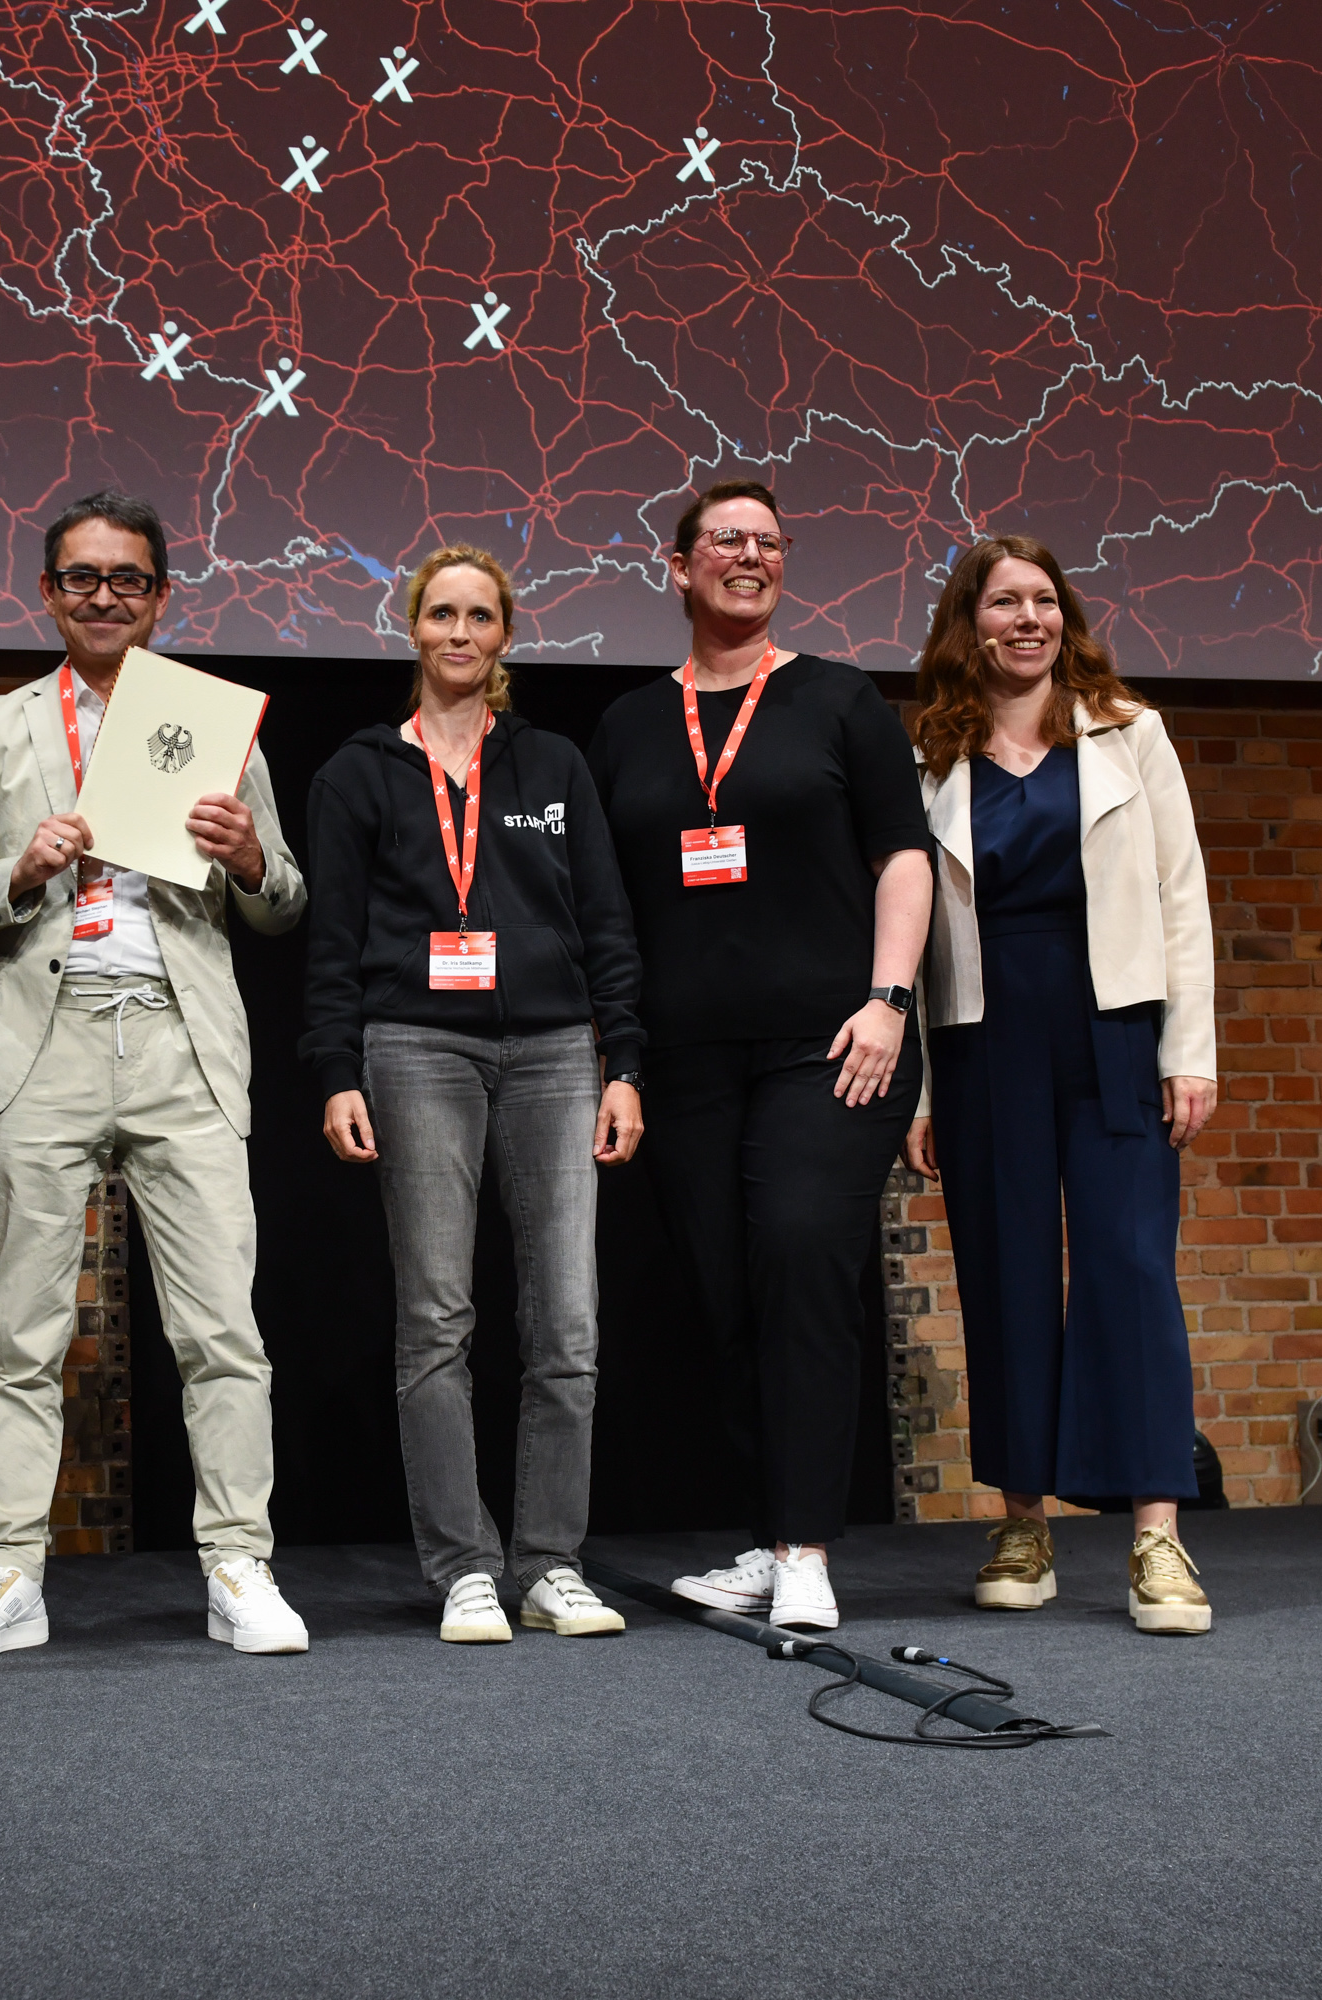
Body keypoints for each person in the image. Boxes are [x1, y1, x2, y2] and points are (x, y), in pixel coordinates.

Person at [0, 490, 312, 1660]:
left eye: (126, 578)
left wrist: (247, 858)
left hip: (183, 1040)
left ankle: (240, 1562)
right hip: (50, 1036)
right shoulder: (1, 728)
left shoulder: (211, 722)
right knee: (23, 1331)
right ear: (49, 593)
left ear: (158, 594)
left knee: (222, 1329)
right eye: (81, 577)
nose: (102, 595)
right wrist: (19, 868)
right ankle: (11, 1572)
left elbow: (284, 900)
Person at [586, 478, 931, 1633]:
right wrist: (621, 1055)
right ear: (675, 567)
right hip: (685, 1060)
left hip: (829, 1049)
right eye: (726, 540)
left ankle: (806, 1546)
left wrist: (888, 997)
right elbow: (610, 910)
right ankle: (766, 1530)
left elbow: (904, 857)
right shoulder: (631, 725)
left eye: (769, 542)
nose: (751, 555)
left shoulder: (840, 700)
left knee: (798, 1259)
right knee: (725, 1292)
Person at [301, 547, 647, 1646]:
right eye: (441, 612)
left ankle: (549, 1563)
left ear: (506, 634)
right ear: (413, 627)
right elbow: (335, 943)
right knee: (436, 1317)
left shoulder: (551, 764)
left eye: (480, 615)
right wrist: (335, 1069)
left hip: (554, 1050)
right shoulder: (358, 770)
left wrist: (624, 1061)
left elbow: (607, 923)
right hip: (415, 1049)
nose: (460, 631)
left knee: (568, 1320)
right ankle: (463, 1565)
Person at [899, 535, 1218, 1636]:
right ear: (969, 623)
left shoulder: (1133, 734)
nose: (1025, 619)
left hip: (1115, 1030)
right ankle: (1023, 1519)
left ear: (1065, 618)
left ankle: (1156, 1534)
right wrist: (926, 1092)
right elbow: (920, 937)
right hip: (986, 1039)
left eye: (1043, 600)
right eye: (1003, 602)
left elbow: (1182, 896)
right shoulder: (932, 753)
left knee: (1132, 1268)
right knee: (1005, 1273)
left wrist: (1192, 1050)